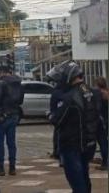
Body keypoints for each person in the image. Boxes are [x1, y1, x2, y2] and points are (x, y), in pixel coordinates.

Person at [52, 61, 99, 193]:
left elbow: (57, 120)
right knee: (85, 177)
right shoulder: (92, 92)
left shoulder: (70, 97)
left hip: (72, 144)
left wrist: (51, 114)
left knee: (77, 182)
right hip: (89, 143)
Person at [0, 65, 24, 176]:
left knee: (0, 142)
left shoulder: (1, 83)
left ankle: (0, 168)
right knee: (11, 143)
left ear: (0, 72)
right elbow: (20, 101)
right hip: (14, 115)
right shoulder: (18, 83)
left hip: (2, 116)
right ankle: (12, 168)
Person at [93, 77, 108, 170]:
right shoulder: (107, 92)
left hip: (103, 122)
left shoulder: (100, 94)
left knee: (103, 142)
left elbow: (98, 109)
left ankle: (105, 162)